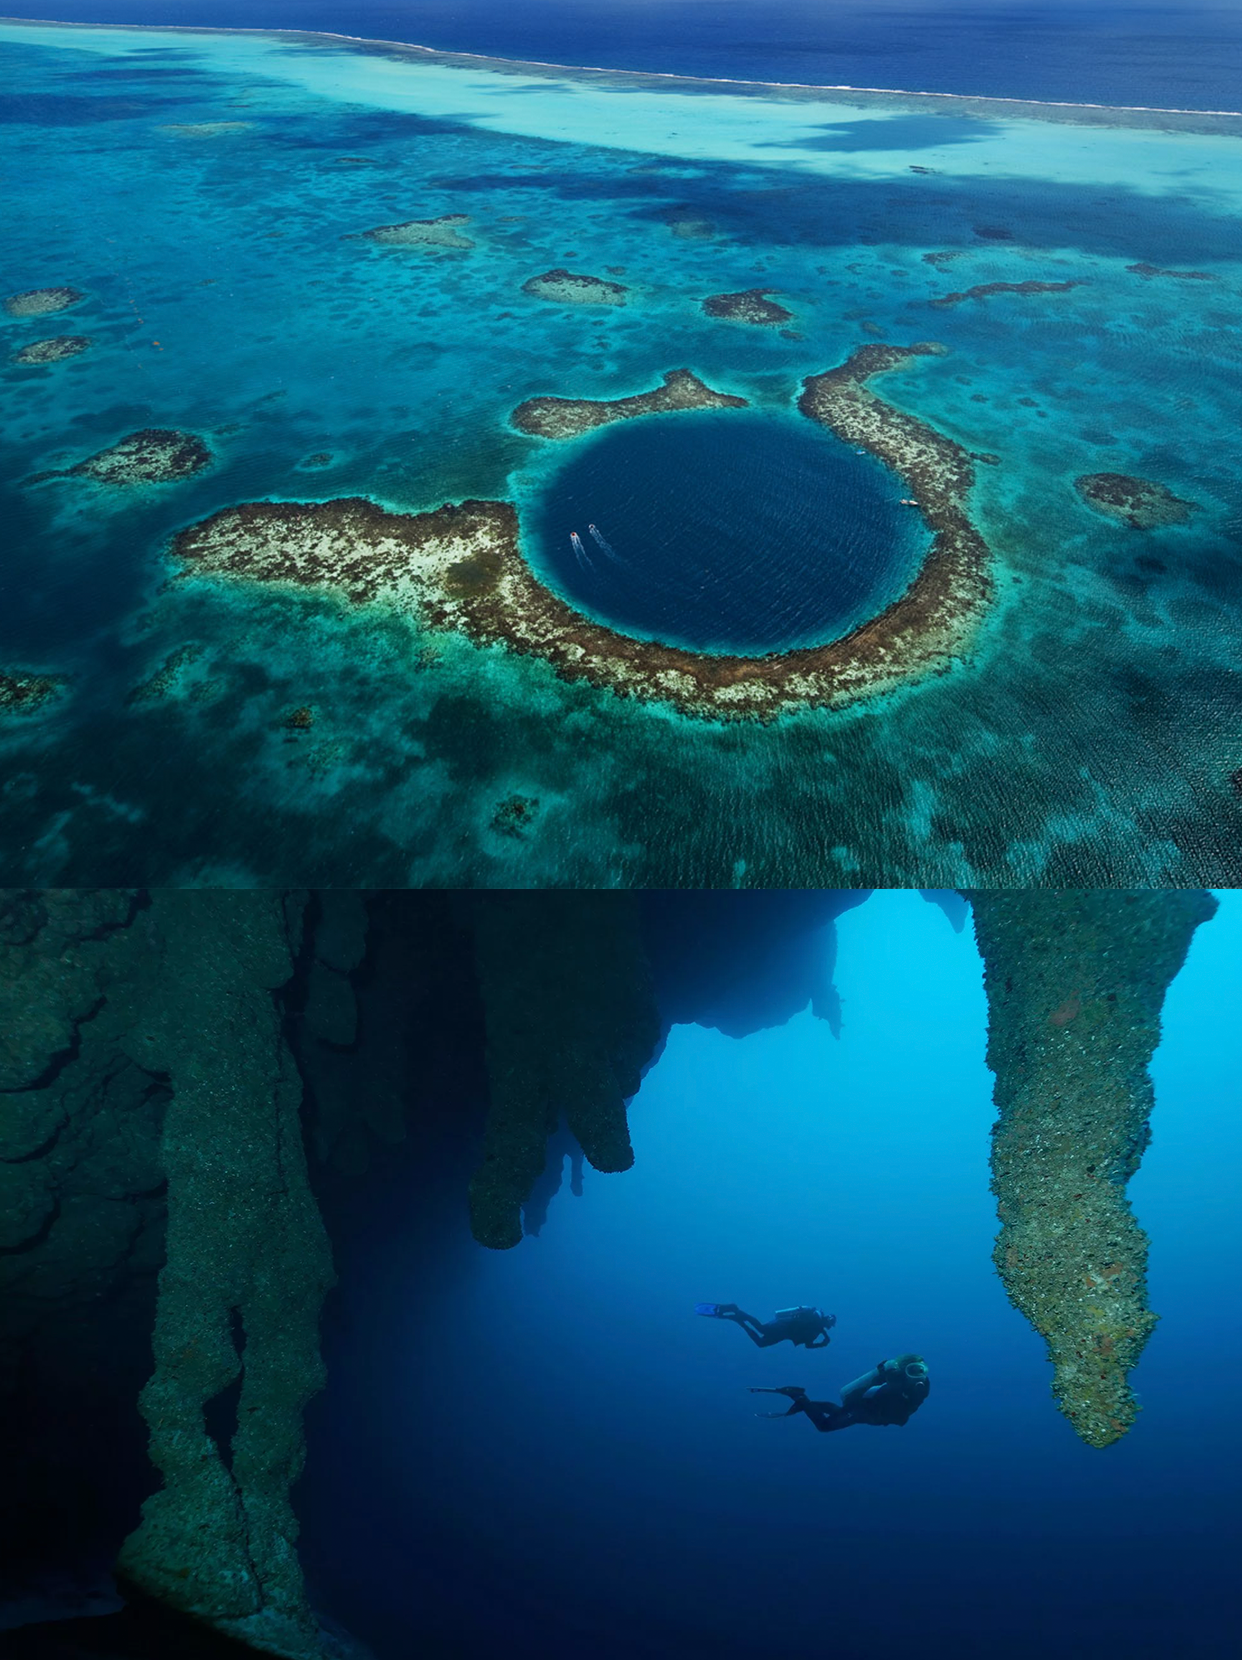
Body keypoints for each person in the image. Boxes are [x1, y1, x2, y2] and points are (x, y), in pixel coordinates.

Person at [750, 1353, 930, 1431]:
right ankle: (799, 1397)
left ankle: (804, 1403)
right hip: (865, 1410)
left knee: (838, 1410)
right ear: (903, 1371)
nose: (919, 1376)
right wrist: (892, 1373)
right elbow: (891, 1394)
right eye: (913, 1370)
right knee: (825, 1426)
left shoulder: (922, 1385)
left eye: (921, 1370)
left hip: (872, 1414)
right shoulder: (895, 1381)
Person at [695, 1302, 836, 1349]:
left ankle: (739, 1320)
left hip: (785, 1334)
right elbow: (809, 1341)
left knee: (761, 1343)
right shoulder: (815, 1319)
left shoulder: (817, 1330)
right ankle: (736, 1310)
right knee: (761, 1329)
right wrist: (823, 1340)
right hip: (783, 1326)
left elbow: (808, 1345)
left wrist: (822, 1343)